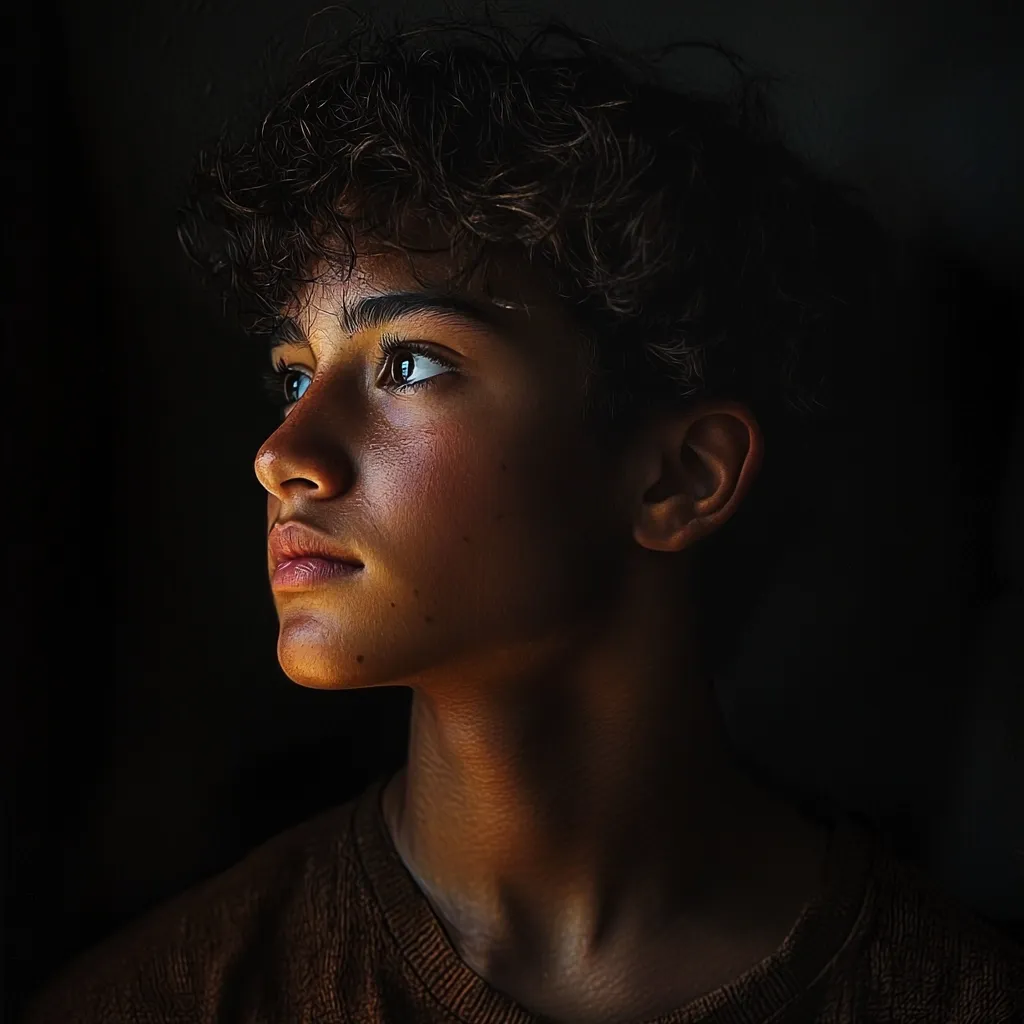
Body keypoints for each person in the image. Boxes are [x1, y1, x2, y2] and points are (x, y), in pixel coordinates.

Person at [25, 7, 1023, 1023]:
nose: (283, 455)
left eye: (407, 362)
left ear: (679, 477)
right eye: (294, 378)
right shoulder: (161, 999)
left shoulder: (955, 997)